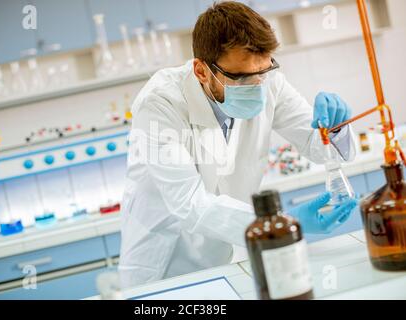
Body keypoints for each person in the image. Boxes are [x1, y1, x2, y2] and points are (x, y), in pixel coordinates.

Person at [119, 1, 358, 288]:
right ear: (201, 71)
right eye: (242, 78)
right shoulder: (159, 103)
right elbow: (189, 203)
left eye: (264, 71)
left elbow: (317, 145)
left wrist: (335, 127)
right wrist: (280, 221)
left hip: (233, 251)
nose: (258, 85)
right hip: (167, 262)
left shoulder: (270, 83)